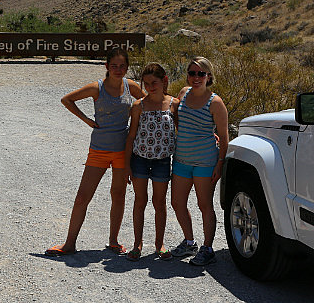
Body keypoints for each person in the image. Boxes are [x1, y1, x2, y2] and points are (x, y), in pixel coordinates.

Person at [45, 48, 145, 256]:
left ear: (127, 68)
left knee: (118, 195)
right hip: (99, 150)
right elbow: (67, 100)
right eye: (114, 66)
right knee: (82, 197)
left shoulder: (131, 86)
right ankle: (69, 243)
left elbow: (151, 103)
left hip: (121, 151)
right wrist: (88, 120)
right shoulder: (97, 88)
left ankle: (113, 241)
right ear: (107, 66)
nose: (118, 70)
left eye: (122, 66)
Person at [170, 56, 229, 266]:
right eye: (192, 73)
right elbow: (177, 119)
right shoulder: (183, 94)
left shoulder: (215, 102)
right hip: (182, 158)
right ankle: (189, 242)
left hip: (205, 161)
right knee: (177, 202)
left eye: (201, 73)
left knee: (204, 204)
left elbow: (224, 136)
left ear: (208, 76)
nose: (196, 77)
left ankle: (208, 248)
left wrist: (220, 164)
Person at [123, 63, 179, 261]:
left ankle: (159, 244)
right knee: (140, 201)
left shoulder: (174, 104)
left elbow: (183, 131)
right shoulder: (139, 105)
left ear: (164, 81)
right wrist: (127, 164)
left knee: (159, 202)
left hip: (162, 161)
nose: (150, 87)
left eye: (154, 83)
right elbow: (131, 136)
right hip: (139, 160)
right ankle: (137, 244)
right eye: (146, 84)